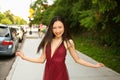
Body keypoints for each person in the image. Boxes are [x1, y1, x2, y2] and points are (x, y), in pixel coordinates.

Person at [16, 16, 104, 80]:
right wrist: (24, 57)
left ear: (64, 27)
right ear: (51, 28)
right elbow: (42, 59)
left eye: (60, 27)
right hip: (48, 75)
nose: (57, 31)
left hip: (61, 76)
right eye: (54, 28)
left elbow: (78, 60)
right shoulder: (47, 41)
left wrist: (94, 66)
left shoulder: (68, 42)